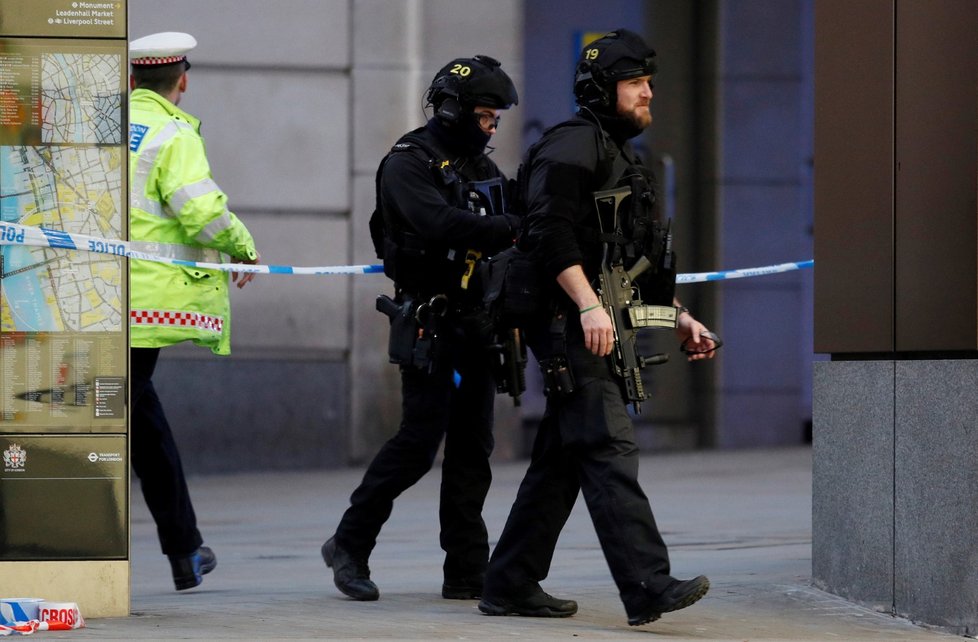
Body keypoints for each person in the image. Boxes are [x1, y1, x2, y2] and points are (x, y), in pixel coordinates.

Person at [478, 29, 717, 627]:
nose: (648, 94)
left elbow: (630, 258)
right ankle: (648, 585)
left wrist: (679, 317)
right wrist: (586, 306)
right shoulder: (571, 145)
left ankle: (508, 582)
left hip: (594, 318)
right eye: (637, 84)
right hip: (568, 322)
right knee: (609, 447)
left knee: (564, 458)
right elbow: (548, 231)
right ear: (602, 88)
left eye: (649, 83)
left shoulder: (619, 152)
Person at [322, 55, 520, 602]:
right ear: (454, 109)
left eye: (496, 119)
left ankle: (465, 570)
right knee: (417, 442)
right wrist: (506, 228)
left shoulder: (480, 168)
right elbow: (436, 222)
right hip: (431, 320)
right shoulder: (409, 161)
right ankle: (350, 544)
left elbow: (511, 211)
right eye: (484, 116)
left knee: (473, 448)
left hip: (478, 323)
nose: (491, 127)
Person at [128, 31, 260, 591]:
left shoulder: (94, 128)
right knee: (135, 416)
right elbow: (200, 209)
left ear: (133, 80)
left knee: (139, 415)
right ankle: (183, 548)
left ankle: (185, 548)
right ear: (182, 80)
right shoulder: (172, 130)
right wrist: (241, 245)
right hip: (145, 298)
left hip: (88, 293)